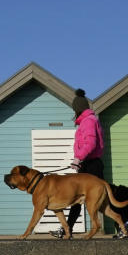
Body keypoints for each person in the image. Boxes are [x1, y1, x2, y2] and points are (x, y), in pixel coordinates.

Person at [49, 88, 105, 238]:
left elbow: (90, 143)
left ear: (78, 109)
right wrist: (79, 161)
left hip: (92, 166)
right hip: (87, 164)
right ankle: (68, 230)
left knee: (103, 198)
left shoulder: (88, 121)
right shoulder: (88, 121)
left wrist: (78, 158)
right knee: (75, 200)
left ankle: (124, 224)